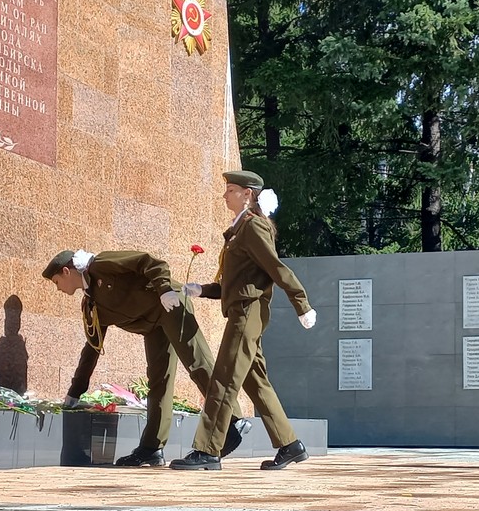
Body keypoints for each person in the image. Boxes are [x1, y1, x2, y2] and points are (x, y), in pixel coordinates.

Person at [169, 170, 316, 471]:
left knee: (224, 379)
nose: (225, 195)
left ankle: (208, 450)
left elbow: (276, 268)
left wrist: (301, 303)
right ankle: (289, 444)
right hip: (243, 310)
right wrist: (201, 290)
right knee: (255, 380)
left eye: (231, 190)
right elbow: (236, 281)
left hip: (248, 312)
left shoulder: (253, 226)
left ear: (247, 194)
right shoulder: (239, 229)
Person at [43, 249, 246, 467]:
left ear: (67, 271)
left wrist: (165, 290)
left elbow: (149, 262)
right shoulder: (91, 303)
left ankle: (233, 420)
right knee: (158, 383)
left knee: (197, 363)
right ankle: (151, 448)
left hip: (170, 304)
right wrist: (75, 392)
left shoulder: (101, 265)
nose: (58, 288)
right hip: (152, 326)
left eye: (56, 282)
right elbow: (92, 349)